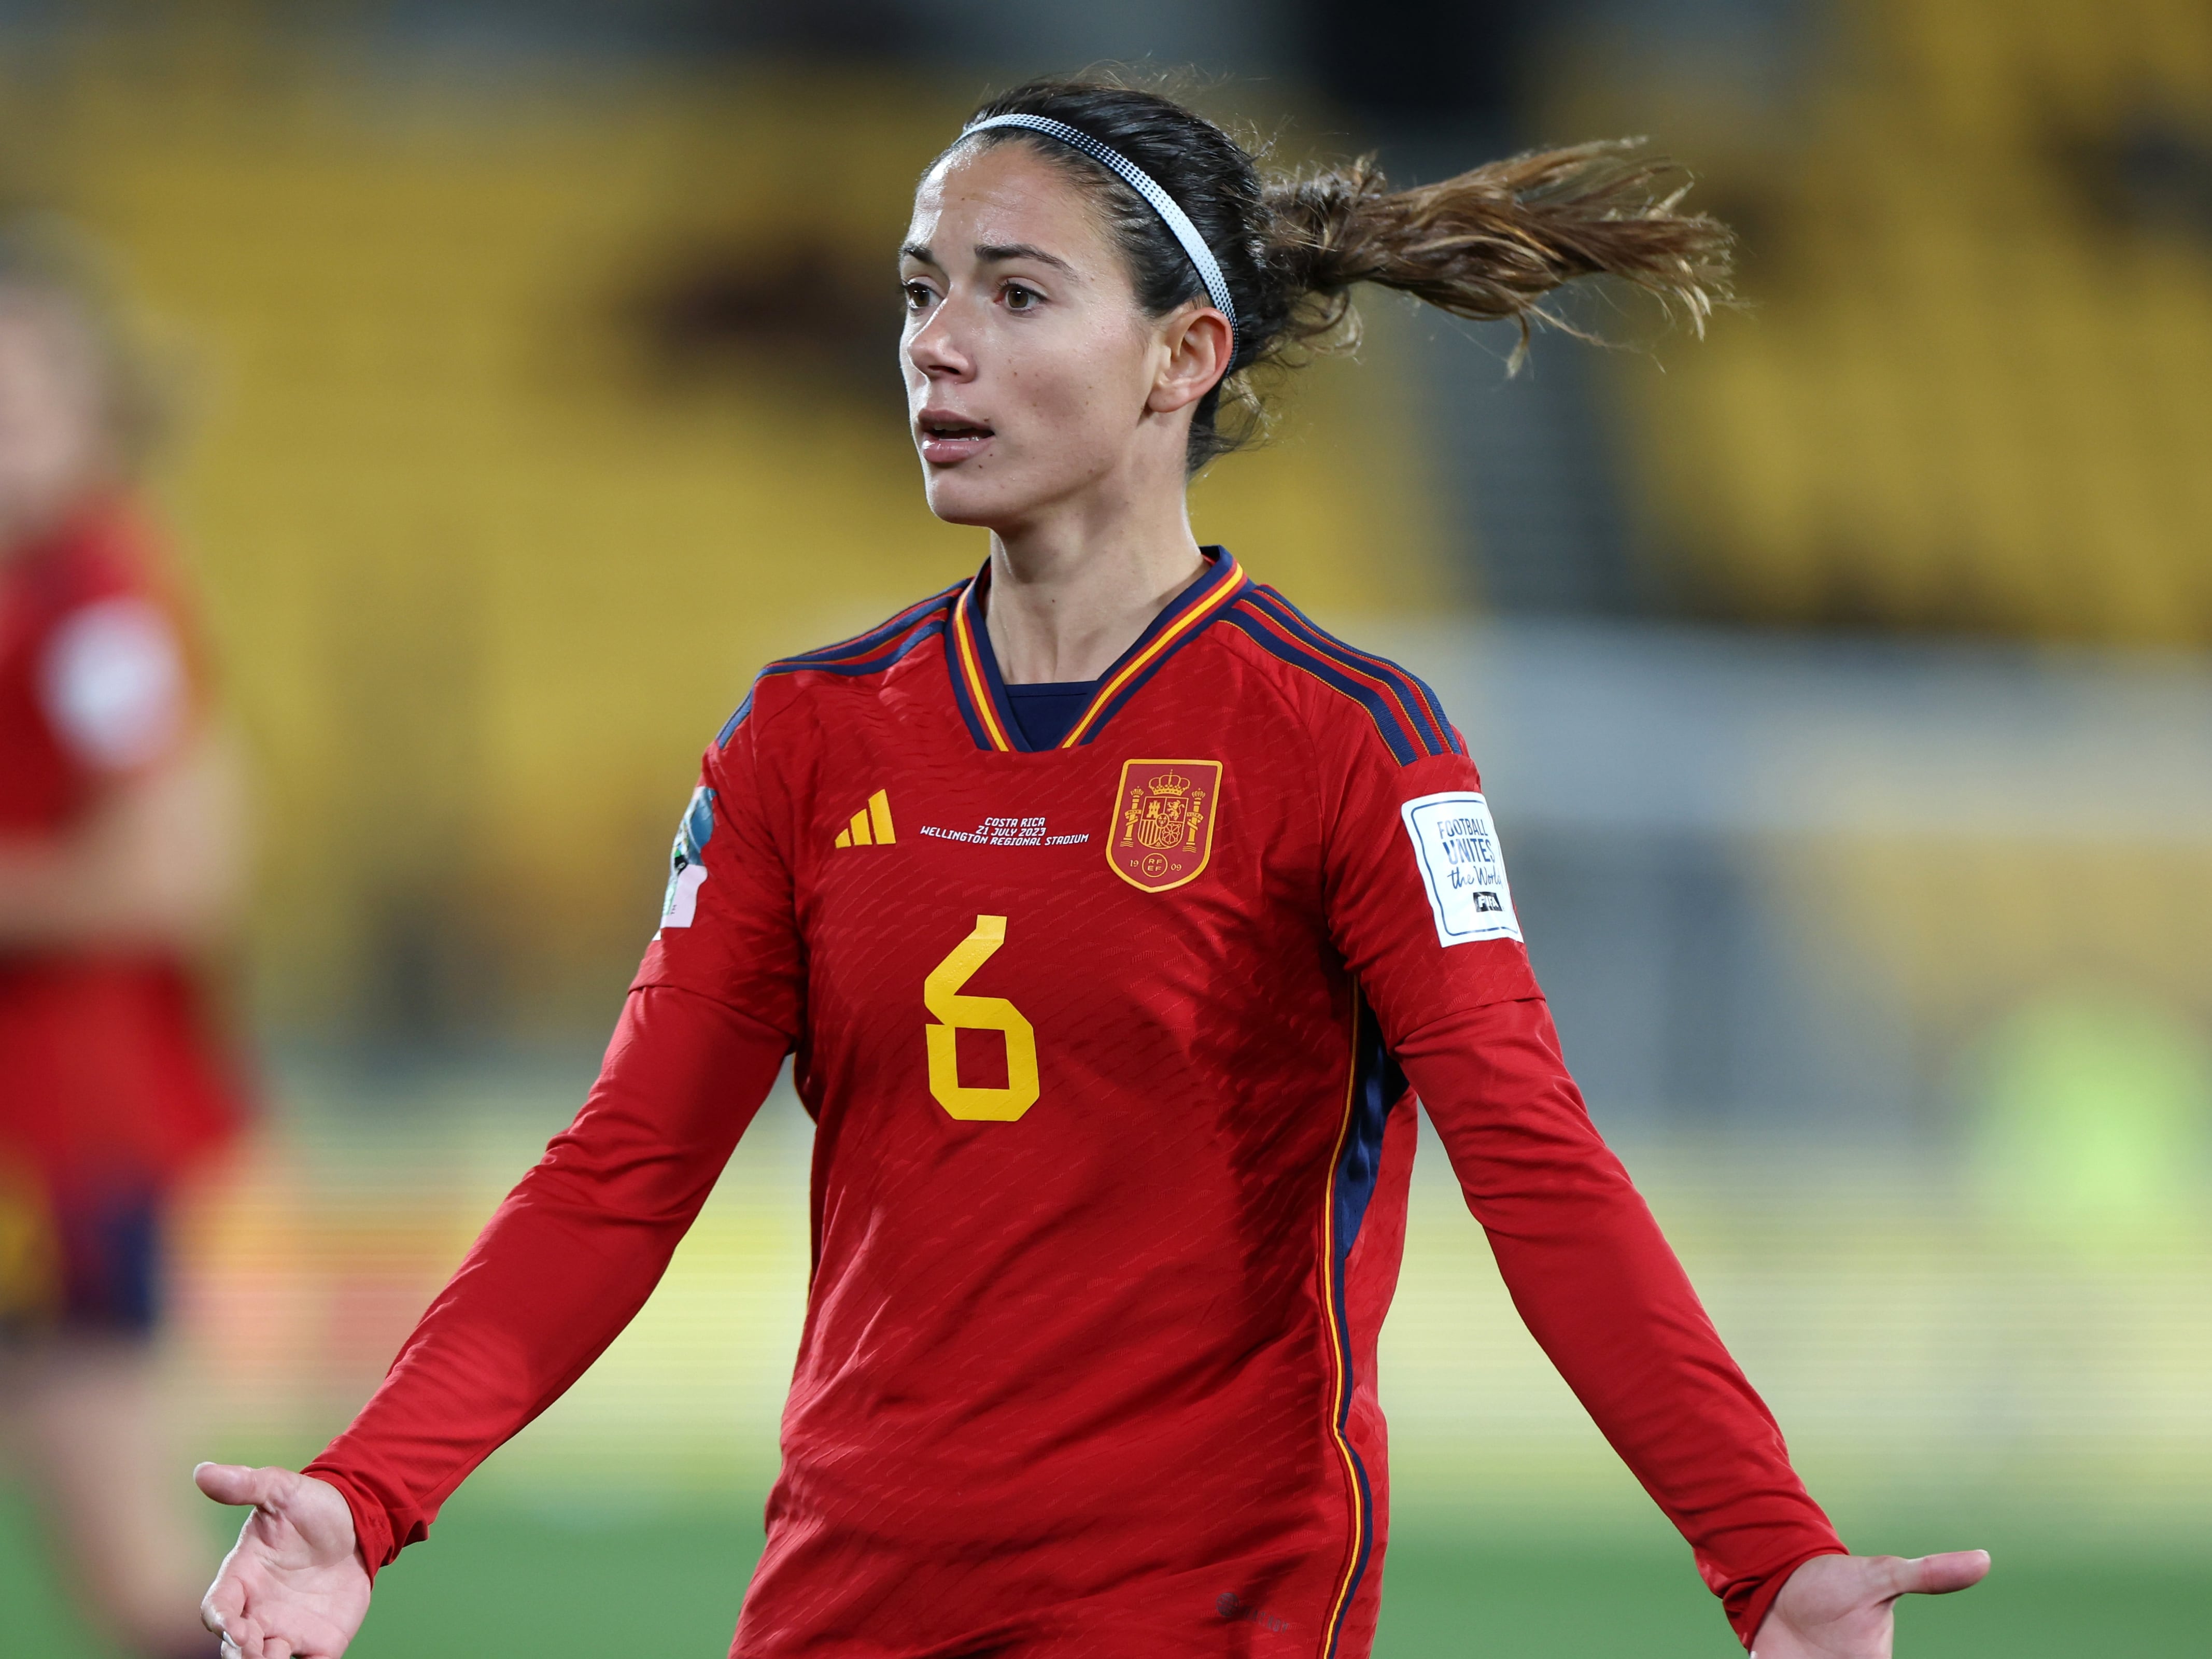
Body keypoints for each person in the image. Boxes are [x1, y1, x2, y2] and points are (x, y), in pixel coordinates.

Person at [195, 76, 1988, 1659]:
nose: (936, 344)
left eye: (1014, 293)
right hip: (851, 1580)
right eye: (921, 292)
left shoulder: (1344, 740)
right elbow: (623, 1169)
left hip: (1199, 1592)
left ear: (1181, 357)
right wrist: (371, 1492)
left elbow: (1536, 1166)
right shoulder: (805, 737)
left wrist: (1765, 1556)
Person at [0, 221, 249, 1659]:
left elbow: (175, 864)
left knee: (130, 1560)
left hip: (63, 1119)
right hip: (55, 1114)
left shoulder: (92, 597)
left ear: (99, 420)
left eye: (24, 400)